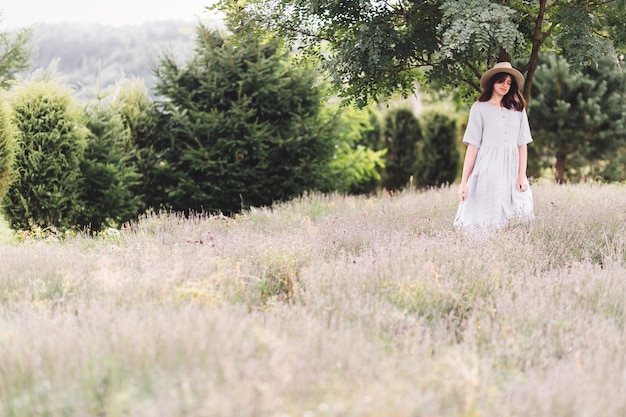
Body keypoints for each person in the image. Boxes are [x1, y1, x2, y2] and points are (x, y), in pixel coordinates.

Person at [453, 61, 534, 230]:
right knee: (487, 207)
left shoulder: (518, 110)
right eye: (501, 81)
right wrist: (463, 182)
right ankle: (485, 246)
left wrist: (521, 175)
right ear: (493, 82)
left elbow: (522, 145)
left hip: (513, 167)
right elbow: (473, 146)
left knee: (522, 205)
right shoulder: (479, 108)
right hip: (488, 166)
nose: (505, 85)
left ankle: (514, 242)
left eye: (509, 83)